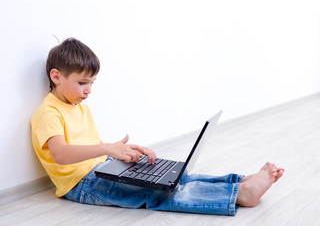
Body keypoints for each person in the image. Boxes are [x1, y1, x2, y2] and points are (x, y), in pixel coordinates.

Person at [31, 37, 284, 216]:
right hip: (81, 185)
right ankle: (241, 195)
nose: (88, 90)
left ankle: (238, 183)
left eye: (92, 83)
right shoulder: (48, 112)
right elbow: (61, 154)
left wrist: (123, 151)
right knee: (158, 194)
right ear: (56, 76)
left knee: (173, 177)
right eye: (82, 82)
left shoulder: (78, 106)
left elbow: (88, 149)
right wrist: (106, 148)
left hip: (99, 169)